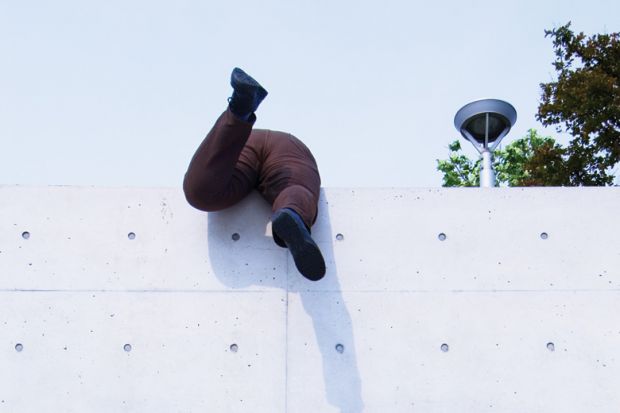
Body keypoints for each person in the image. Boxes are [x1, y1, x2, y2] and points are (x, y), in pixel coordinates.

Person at [183, 68, 326, 281]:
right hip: (287, 147)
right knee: (295, 188)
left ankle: (239, 109)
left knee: (202, 191)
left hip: (244, 143)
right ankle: (291, 215)